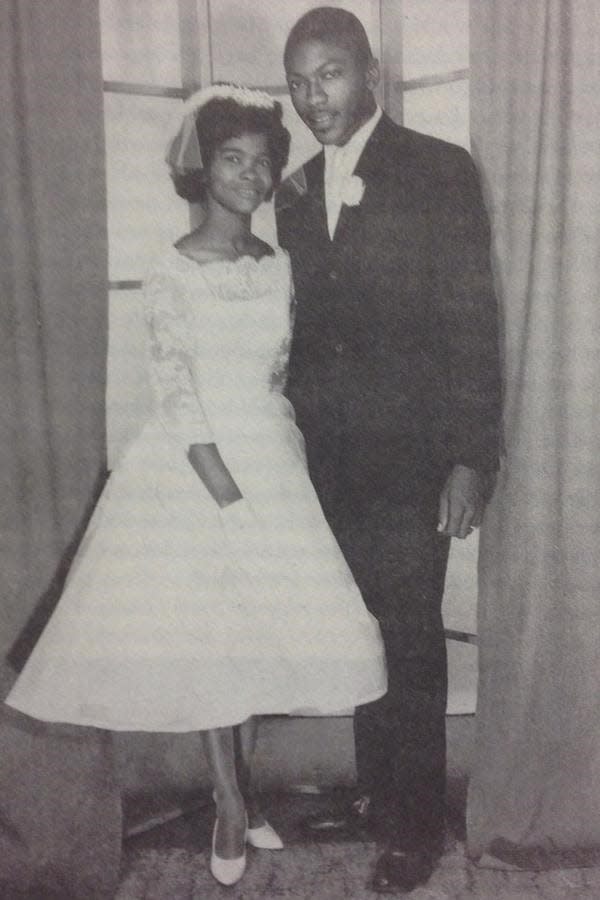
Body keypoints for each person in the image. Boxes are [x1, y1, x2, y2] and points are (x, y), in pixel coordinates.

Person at [6, 83, 387, 888]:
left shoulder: (279, 266)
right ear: (202, 169)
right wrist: (228, 498)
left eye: (261, 161)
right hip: (195, 470)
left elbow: (280, 375)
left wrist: (282, 471)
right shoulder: (172, 271)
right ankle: (224, 801)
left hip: (271, 456)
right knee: (215, 638)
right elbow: (178, 397)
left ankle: (245, 799)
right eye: (231, 160)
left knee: (252, 638)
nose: (249, 175)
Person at [276, 8, 502, 894]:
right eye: (297, 82)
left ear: (371, 73)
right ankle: (378, 795)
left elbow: (471, 322)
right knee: (357, 628)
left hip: (412, 459)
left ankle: (415, 827)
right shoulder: (291, 188)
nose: (311, 97)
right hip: (324, 460)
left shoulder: (438, 170)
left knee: (408, 634)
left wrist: (470, 457)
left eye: (327, 75)